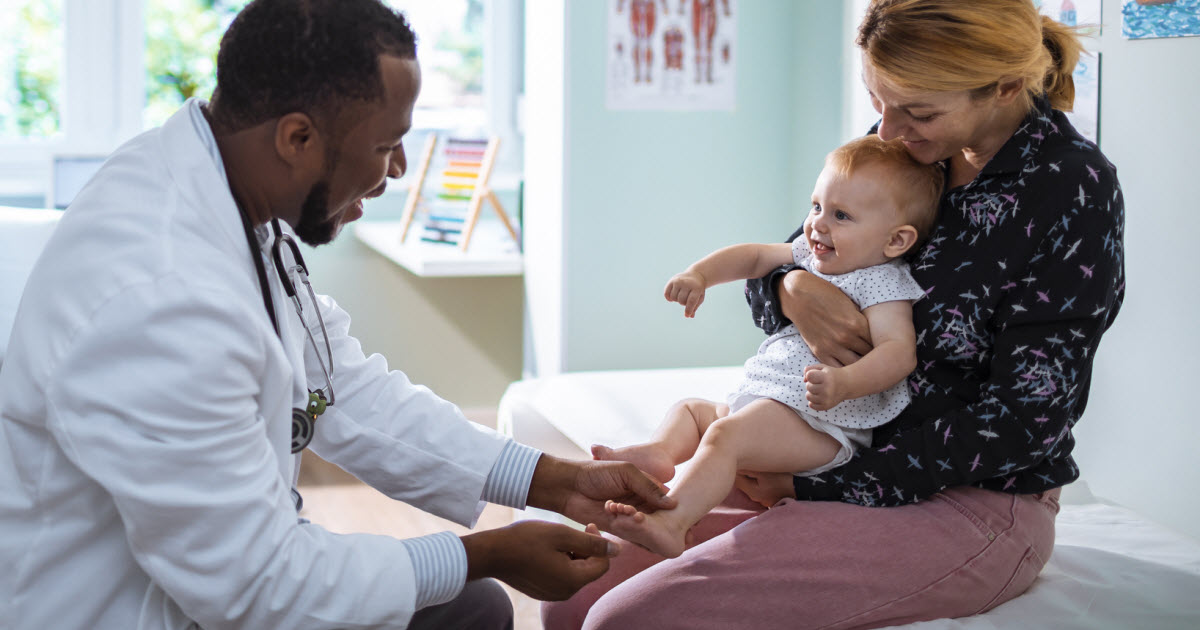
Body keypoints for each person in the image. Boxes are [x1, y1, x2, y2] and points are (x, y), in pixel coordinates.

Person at [0, 2, 676, 629]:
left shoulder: (223, 198)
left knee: (467, 607)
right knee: (472, 605)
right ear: (298, 137)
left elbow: (337, 388)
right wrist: (486, 553)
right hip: (120, 607)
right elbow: (261, 590)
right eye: (385, 146)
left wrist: (552, 481)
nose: (396, 172)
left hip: (212, 576)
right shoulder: (164, 300)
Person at [543, 1, 1125, 628]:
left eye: (918, 112)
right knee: (570, 585)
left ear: (1006, 85)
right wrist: (794, 288)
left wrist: (820, 489)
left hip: (968, 495)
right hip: (832, 443)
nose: (889, 130)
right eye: (880, 102)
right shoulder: (905, 146)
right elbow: (787, 271)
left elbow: (1025, 419)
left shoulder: (1070, 187)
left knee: (626, 620)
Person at [593, 135, 942, 559]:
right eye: (816, 206)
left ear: (896, 241)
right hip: (775, 404)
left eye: (842, 215)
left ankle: (673, 522)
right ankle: (661, 455)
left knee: (725, 435)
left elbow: (898, 353)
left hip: (821, 426)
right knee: (692, 411)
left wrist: (845, 382)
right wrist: (699, 275)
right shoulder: (811, 255)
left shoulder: (884, 283)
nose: (818, 224)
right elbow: (756, 257)